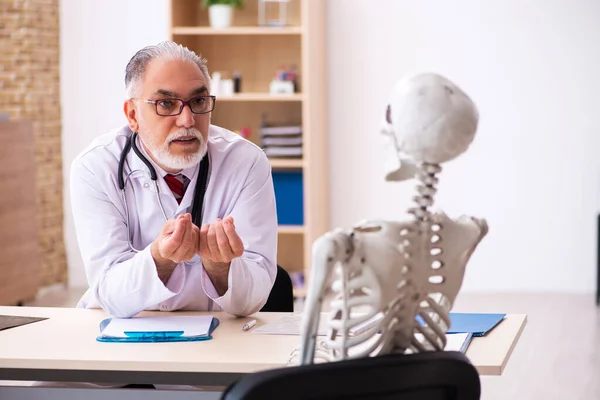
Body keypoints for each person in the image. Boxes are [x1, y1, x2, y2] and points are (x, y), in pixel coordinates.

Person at [70, 41, 278, 319]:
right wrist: (159, 259)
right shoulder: (95, 167)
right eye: (166, 104)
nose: (187, 120)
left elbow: (253, 299)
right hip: (120, 330)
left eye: (198, 101)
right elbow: (110, 292)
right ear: (132, 115)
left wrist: (220, 267)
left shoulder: (246, 162)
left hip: (218, 333)